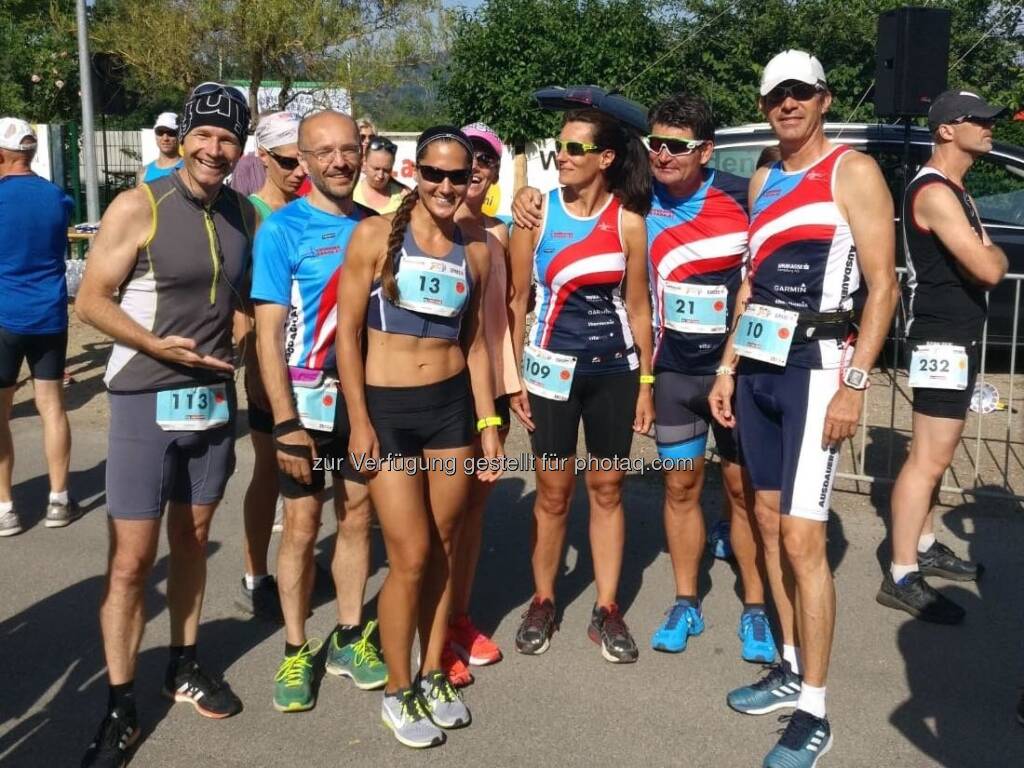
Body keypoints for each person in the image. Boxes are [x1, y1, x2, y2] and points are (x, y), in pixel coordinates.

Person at [511, 94, 775, 662]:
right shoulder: (639, 200)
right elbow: (517, 295)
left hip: (727, 371)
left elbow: (781, 244)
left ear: (706, 151)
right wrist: (524, 195)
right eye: (656, 143)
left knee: (737, 491)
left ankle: (752, 609)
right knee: (669, 488)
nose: (663, 154)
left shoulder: (742, 195)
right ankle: (671, 601)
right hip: (661, 371)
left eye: (677, 145)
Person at [709, 51, 898, 767]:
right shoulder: (764, 176)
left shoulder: (853, 170)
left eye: (799, 93)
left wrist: (855, 382)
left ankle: (815, 711)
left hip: (817, 370)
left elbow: (882, 286)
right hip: (757, 366)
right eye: (774, 96)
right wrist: (727, 366)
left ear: (823, 99)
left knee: (800, 539)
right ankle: (789, 667)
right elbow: (750, 284)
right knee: (764, 522)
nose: (786, 104)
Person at [75, 83, 255, 768]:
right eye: (203, 134)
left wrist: (242, 322)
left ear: (240, 148)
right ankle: (119, 705)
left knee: (194, 538)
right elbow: (92, 300)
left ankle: (183, 663)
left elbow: (240, 291)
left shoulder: (243, 211)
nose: (214, 148)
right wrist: (156, 346)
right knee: (130, 561)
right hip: (143, 399)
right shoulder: (138, 204)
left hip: (212, 402)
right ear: (183, 137)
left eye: (228, 138)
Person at [337, 126, 502, 748]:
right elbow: (347, 336)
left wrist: (489, 425)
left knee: (444, 546)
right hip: (389, 413)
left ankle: (433, 672)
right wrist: (359, 420)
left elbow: (477, 345)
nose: (445, 186)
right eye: (434, 173)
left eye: (457, 176)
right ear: (415, 172)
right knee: (408, 556)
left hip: (450, 412)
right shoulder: (374, 236)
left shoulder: (477, 248)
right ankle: (396, 687)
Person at [507, 108, 654, 664]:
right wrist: (512, 376)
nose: (561, 157)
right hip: (550, 372)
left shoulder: (629, 221)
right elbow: (516, 302)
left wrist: (646, 382)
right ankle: (543, 600)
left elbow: (638, 307)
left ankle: (608, 607)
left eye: (574, 149)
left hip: (614, 372)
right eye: (560, 147)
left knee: (608, 489)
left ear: (605, 158)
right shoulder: (536, 215)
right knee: (552, 492)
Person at [255, 110, 387, 712]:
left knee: (357, 516)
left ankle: (349, 637)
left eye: (347, 149)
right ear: (303, 161)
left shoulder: (380, 226)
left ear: (362, 151)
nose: (339, 162)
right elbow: (268, 336)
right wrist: (284, 423)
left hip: (363, 401)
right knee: (303, 526)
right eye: (323, 152)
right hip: (304, 403)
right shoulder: (281, 230)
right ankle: (294, 647)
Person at [876, 90, 1007, 624]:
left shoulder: (955, 189)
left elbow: (986, 256)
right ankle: (902, 573)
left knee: (936, 454)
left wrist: (988, 253)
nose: (989, 127)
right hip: (941, 341)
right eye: (979, 120)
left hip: (955, 338)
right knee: (927, 459)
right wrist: (991, 255)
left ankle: (924, 544)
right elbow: (990, 267)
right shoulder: (933, 190)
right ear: (947, 129)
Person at [444, 122, 517, 685]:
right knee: (436, 520)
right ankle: (429, 627)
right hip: (437, 394)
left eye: (485, 161)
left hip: (489, 391)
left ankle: (458, 619)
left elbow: (507, 317)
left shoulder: (500, 235)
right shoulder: (419, 230)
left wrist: (511, 386)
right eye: (466, 158)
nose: (474, 169)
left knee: (471, 516)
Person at [236, 109, 305, 619]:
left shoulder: (308, 210)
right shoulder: (251, 214)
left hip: (311, 368)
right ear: (263, 157)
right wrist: (256, 367)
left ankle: (297, 561)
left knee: (307, 471)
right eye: (288, 161)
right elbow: (243, 303)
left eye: (305, 160)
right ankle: (256, 573)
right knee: (268, 470)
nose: (300, 171)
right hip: (268, 362)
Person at [0, 117, 77, 536]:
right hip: (49, 314)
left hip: (4, 315)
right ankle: (59, 500)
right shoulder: (56, 197)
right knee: (52, 406)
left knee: (2, 413)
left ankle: (5, 508)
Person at [353, 136, 410, 214]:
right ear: (364, 162)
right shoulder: (351, 193)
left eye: (386, 170)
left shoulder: (403, 196)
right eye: (376, 169)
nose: (380, 175)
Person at [136, 112, 182, 185]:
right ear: (156, 136)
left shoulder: (190, 168)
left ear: (180, 135)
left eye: (171, 133)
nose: (165, 138)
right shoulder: (144, 172)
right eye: (160, 132)